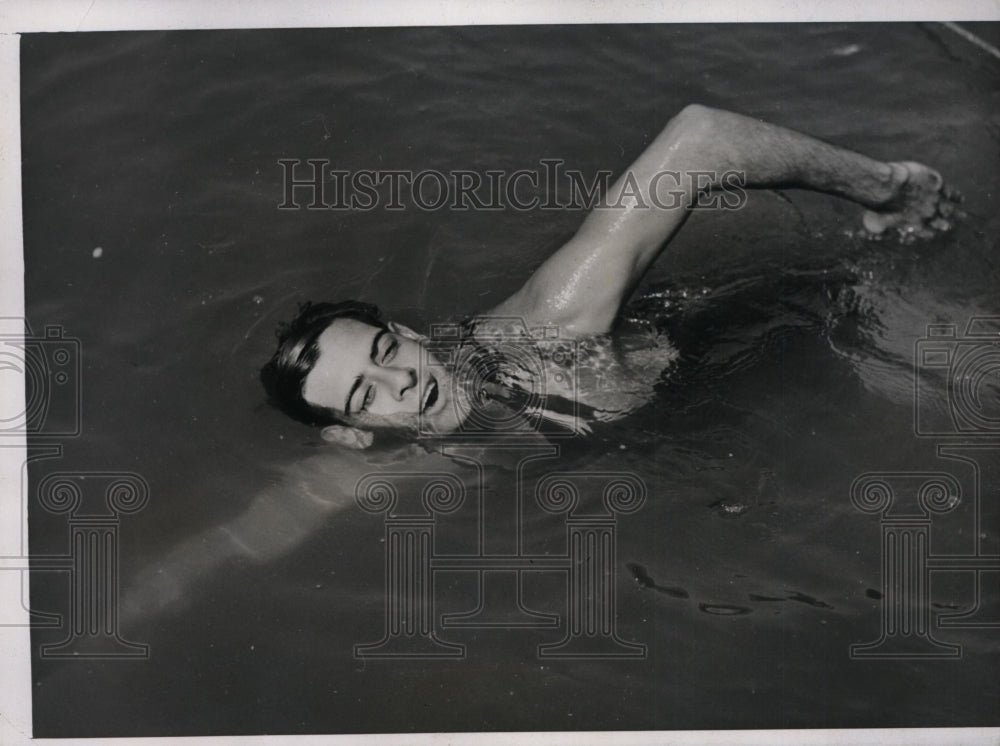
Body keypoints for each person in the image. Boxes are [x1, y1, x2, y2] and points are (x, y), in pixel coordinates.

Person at [261, 104, 954, 448]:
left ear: (408, 334)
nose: (402, 379)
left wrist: (886, 190)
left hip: (725, 342)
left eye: (387, 352)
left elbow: (703, 139)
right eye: (365, 392)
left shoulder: (544, 328)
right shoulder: (402, 463)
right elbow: (258, 531)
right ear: (350, 431)